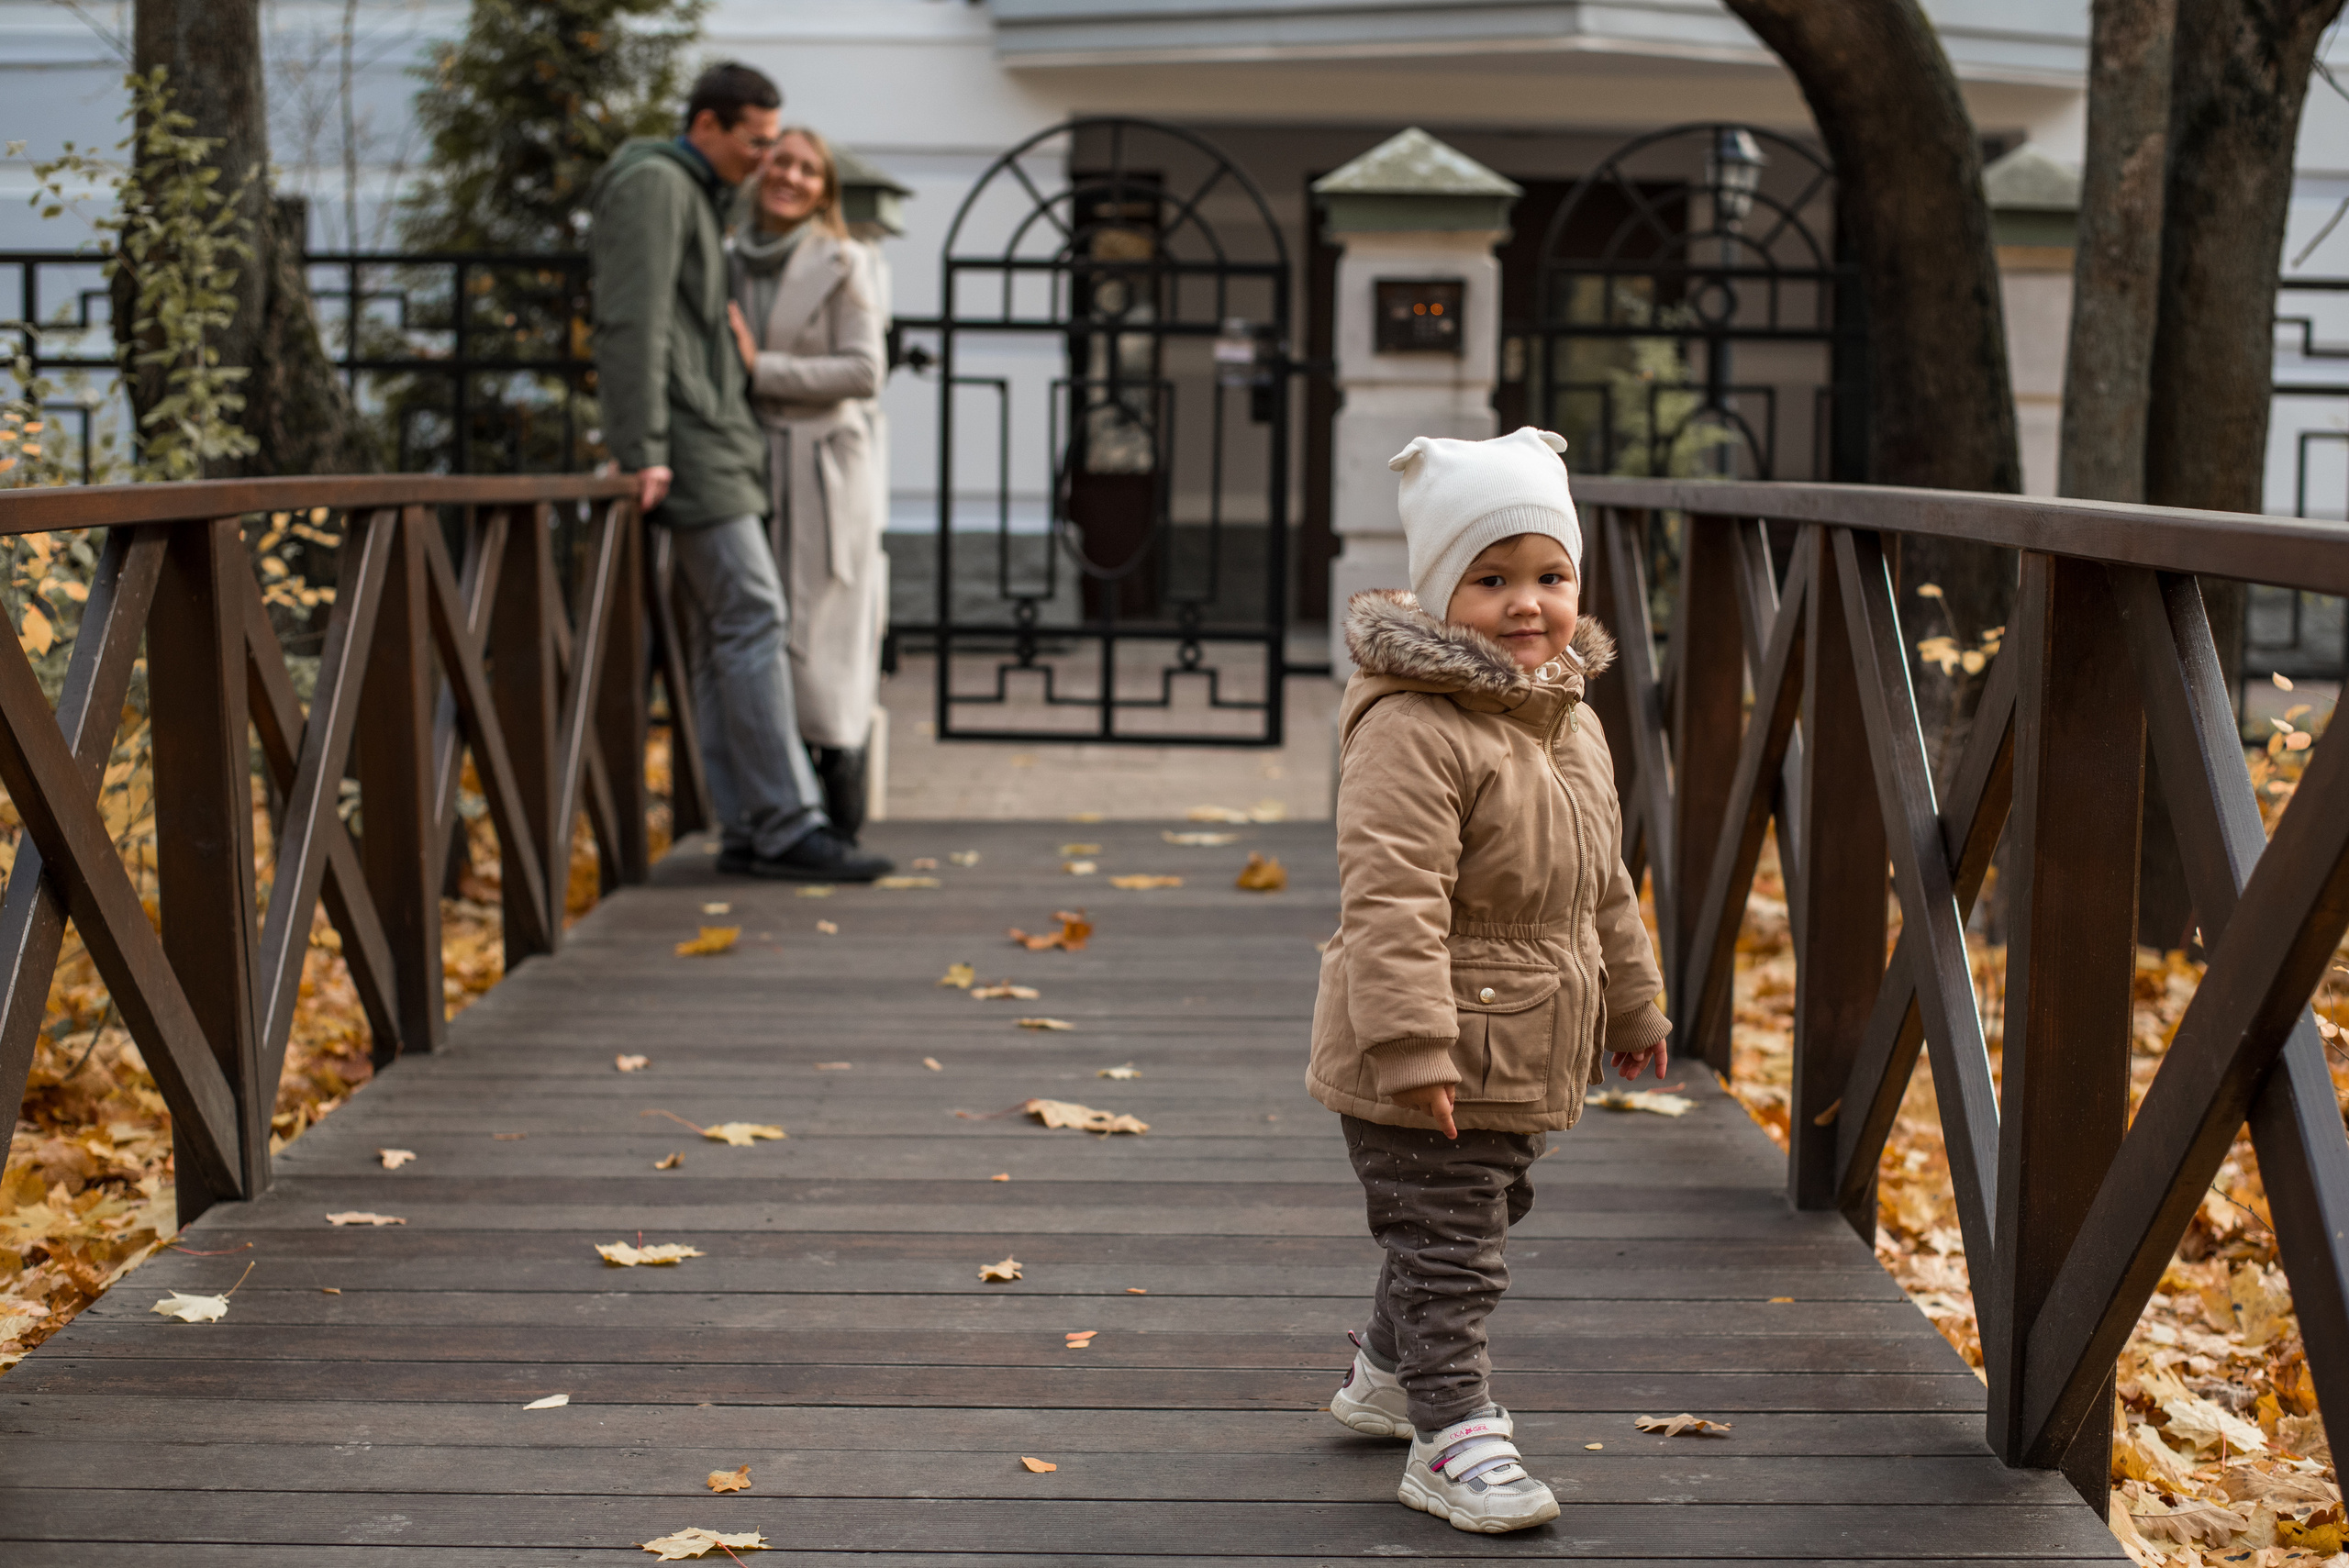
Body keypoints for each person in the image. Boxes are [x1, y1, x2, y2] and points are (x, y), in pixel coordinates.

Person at [1308, 426, 1672, 1534]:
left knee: (1475, 1211)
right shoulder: (1414, 727)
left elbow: (1601, 877)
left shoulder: (1567, 718)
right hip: (1432, 1046)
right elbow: (1392, 896)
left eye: (1551, 575)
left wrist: (1635, 995)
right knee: (1453, 1240)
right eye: (1492, 577)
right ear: (1437, 593)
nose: (1528, 603)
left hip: (1521, 1045)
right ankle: (1450, 1430)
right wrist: (1414, 1047)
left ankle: (1381, 1371)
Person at [589, 61, 890, 882]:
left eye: (781, 147)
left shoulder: (701, 198)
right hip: (690, 444)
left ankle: (753, 829)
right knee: (753, 615)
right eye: (757, 143)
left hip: (719, 443)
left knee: (728, 631)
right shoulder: (658, 187)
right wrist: (643, 443)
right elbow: (633, 319)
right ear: (708, 126)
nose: (767, 161)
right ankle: (788, 823)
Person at [725, 126, 888, 843]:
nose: (791, 176)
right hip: (748, 462)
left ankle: (837, 807)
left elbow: (864, 372)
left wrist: (765, 371)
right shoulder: (728, 259)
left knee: (824, 637)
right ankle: (775, 812)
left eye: (808, 169)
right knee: (761, 629)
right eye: (781, 162)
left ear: (826, 190)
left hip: (825, 471)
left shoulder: (844, 259)